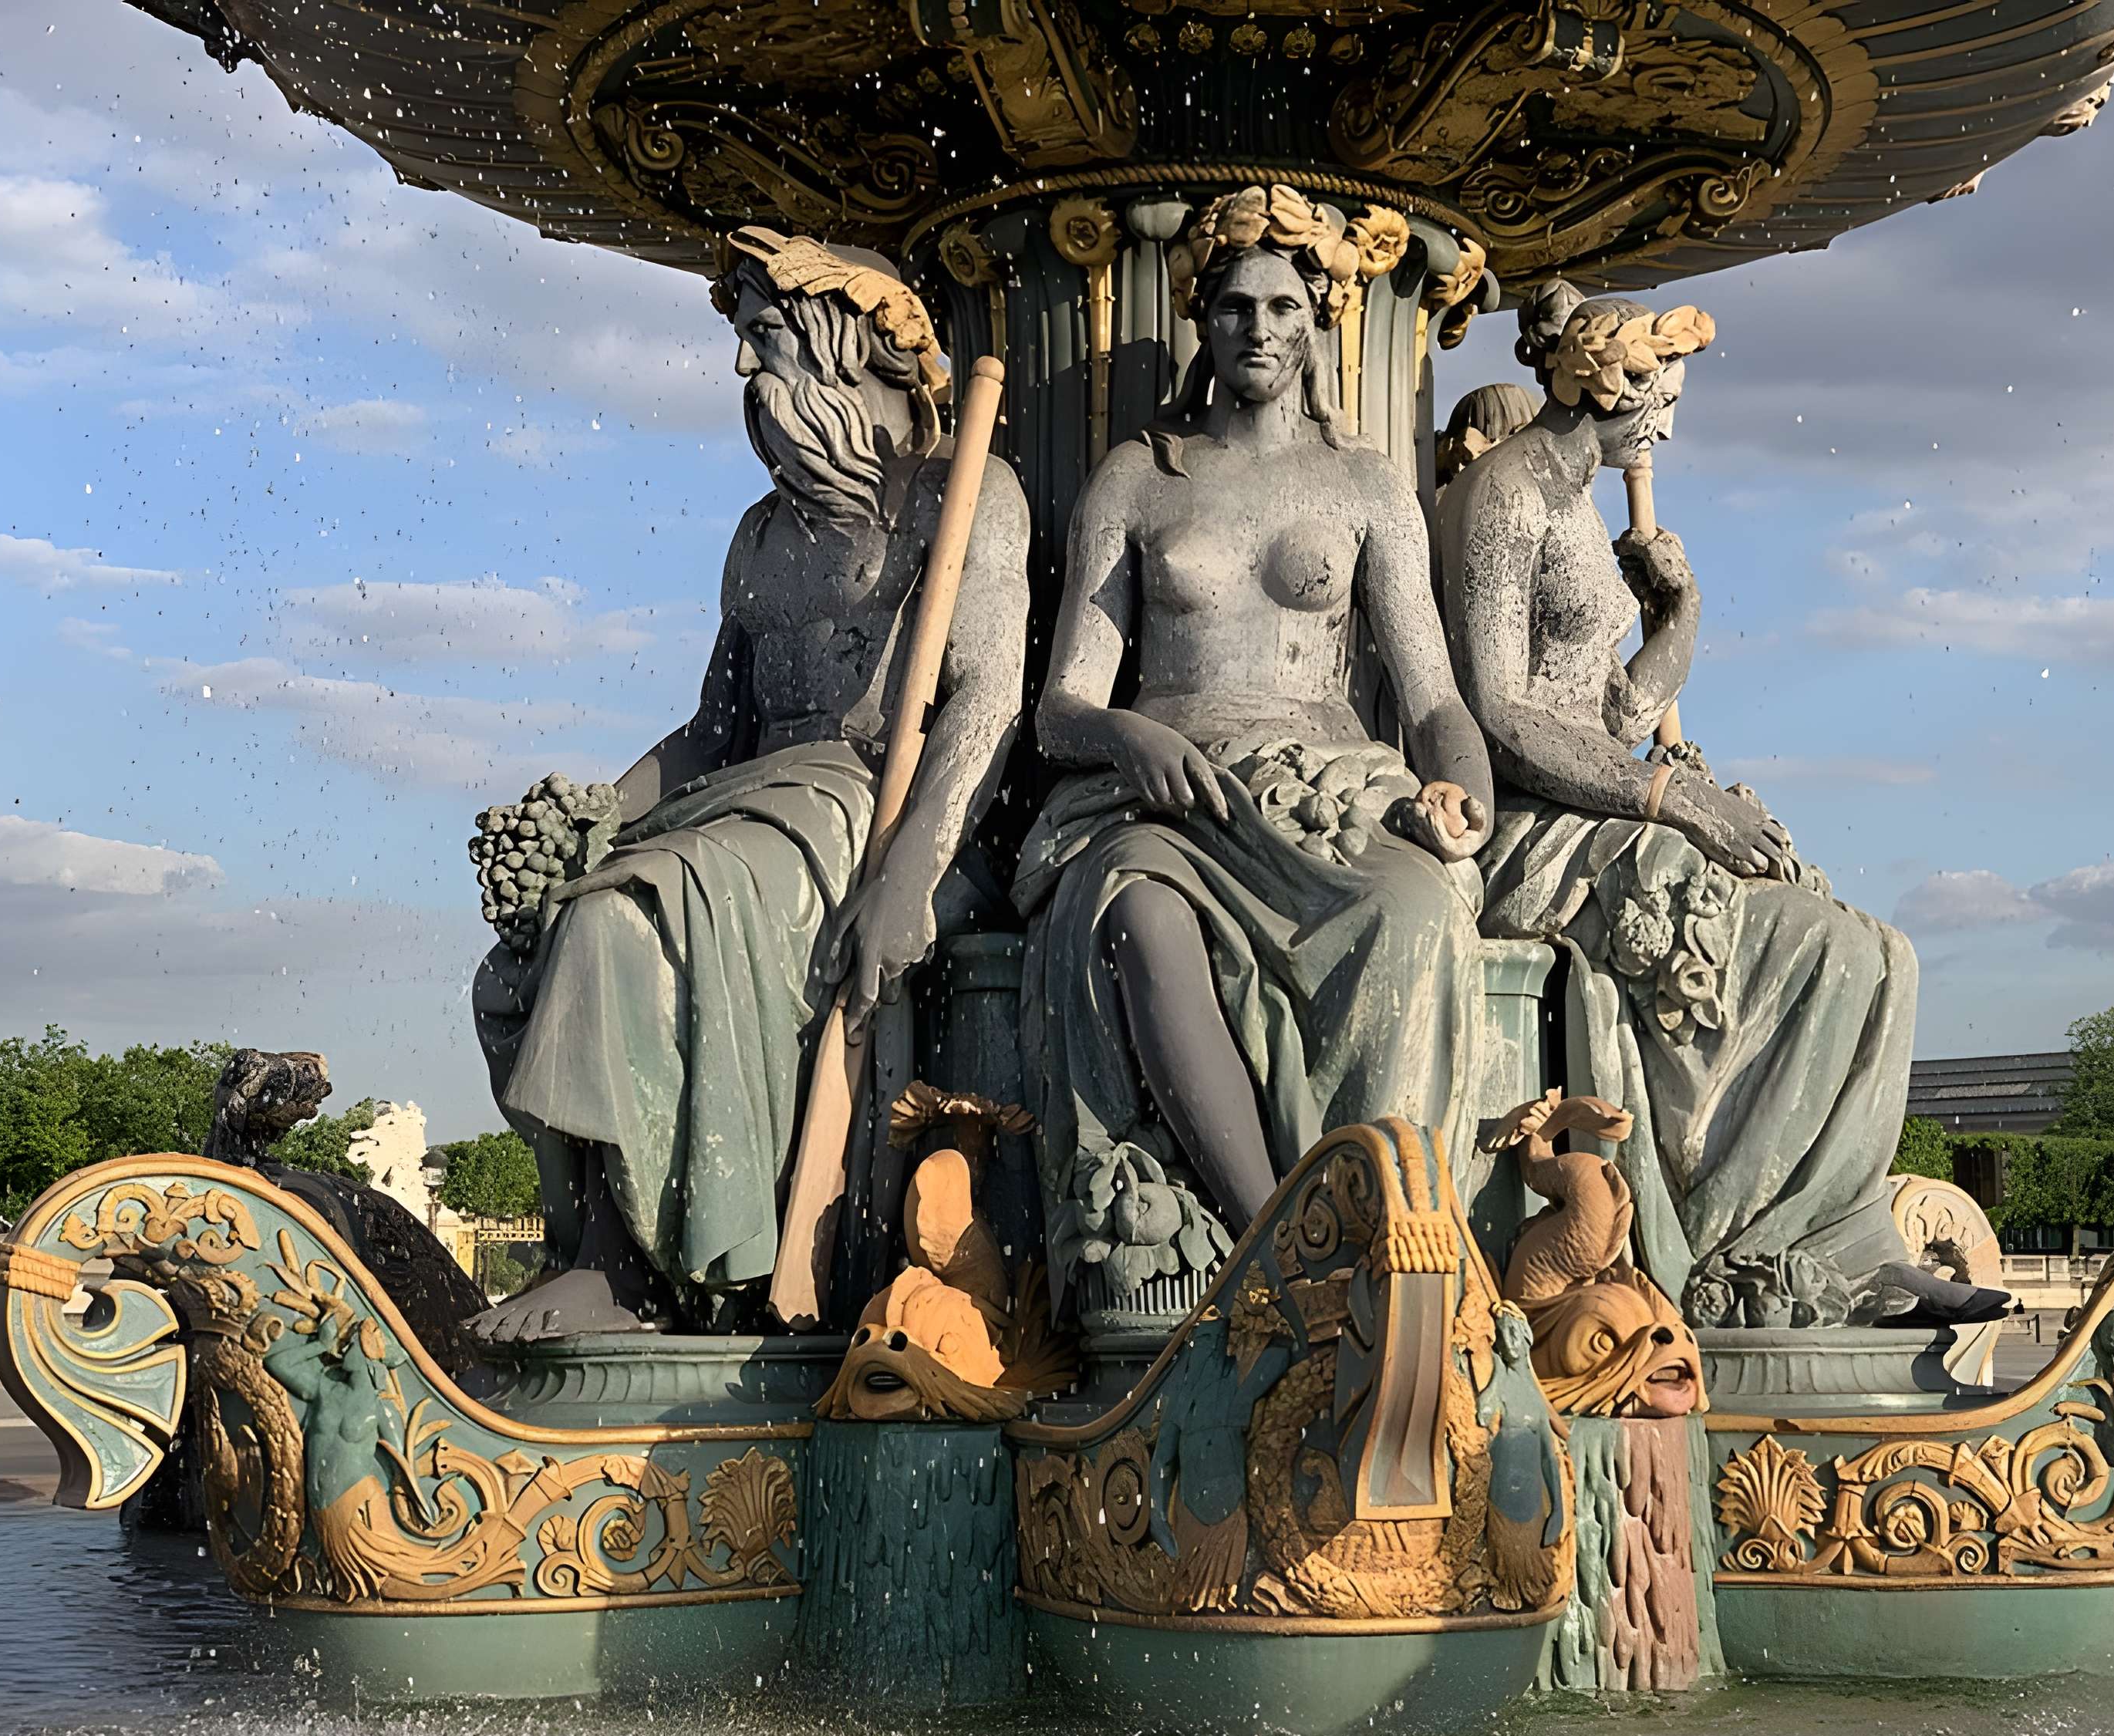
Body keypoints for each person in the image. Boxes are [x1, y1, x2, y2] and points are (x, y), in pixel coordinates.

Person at [469, 231, 1030, 1340]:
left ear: (842, 345)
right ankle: (587, 1241)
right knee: (536, 942)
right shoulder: (762, 535)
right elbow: (712, 732)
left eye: (763, 337)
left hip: (869, 809)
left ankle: (626, 1273)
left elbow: (987, 701)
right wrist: (594, 811)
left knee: (623, 924)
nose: (741, 367)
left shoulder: (962, 495)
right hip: (749, 805)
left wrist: (911, 875)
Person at [1017, 184, 1493, 1310]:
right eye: (1236, 307)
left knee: (1414, 913)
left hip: (1328, 789)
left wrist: (1464, 796)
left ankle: (1387, 1235)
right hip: (1166, 798)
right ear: (1203, 320)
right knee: (1139, 917)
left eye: (1284, 307)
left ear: (1319, 321)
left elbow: (1434, 699)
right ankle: (1280, 1246)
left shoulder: (1366, 486)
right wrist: (1126, 734)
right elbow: (1060, 709)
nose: (1260, 329)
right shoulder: (1139, 479)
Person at [1438, 291, 1920, 1329]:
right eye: (1659, 403)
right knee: (1825, 954)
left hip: (1600, 802)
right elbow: (1500, 713)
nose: (1663, 429)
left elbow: (1615, 712)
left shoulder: (1574, 504)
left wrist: (1683, 613)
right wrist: (1676, 798)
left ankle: (1840, 1237)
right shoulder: (1504, 496)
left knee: (1883, 955)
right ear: (1604, 387)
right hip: (1530, 830)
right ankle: (1742, 1248)